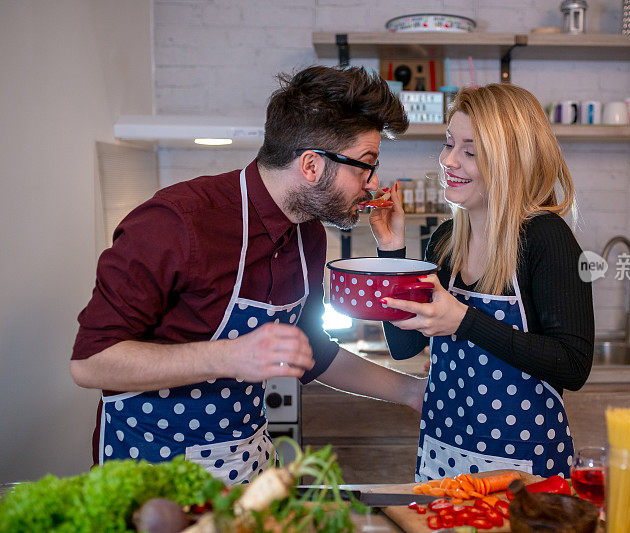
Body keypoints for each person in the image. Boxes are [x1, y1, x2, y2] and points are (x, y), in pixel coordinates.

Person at [70, 66, 427, 484]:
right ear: (311, 165)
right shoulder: (176, 222)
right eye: (366, 165)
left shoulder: (308, 234)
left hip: (248, 466)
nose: (373, 183)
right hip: (148, 477)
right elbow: (90, 362)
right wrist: (231, 355)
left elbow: (310, 350)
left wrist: (408, 392)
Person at [369, 83, 594, 481]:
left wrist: (465, 321)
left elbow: (573, 366)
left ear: (512, 161)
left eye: (470, 152)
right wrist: (392, 253)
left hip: (522, 467)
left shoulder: (545, 238)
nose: (448, 161)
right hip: (442, 454)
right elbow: (405, 346)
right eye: (449, 143)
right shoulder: (445, 240)